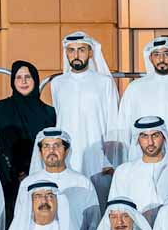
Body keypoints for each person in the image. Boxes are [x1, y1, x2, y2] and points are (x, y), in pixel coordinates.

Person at [0, 60, 54, 223]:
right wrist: (16, 173)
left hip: (41, 177)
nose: (23, 81)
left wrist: (34, 172)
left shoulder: (49, 112)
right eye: (18, 77)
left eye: (28, 77)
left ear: (35, 80)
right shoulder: (3, 108)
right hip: (10, 179)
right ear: (13, 81)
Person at [46, 31, 120, 175]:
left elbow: (113, 122)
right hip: (67, 156)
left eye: (81, 50)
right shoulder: (57, 83)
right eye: (71, 50)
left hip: (98, 155)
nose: (76, 55)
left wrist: (109, 159)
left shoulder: (104, 82)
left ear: (90, 53)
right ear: (66, 53)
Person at [16, 127, 101, 230]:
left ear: (66, 151)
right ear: (40, 152)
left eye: (57, 145)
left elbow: (94, 223)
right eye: (46, 146)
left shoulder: (82, 182)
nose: (51, 151)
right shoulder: (28, 183)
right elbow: (19, 222)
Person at [107, 116, 168, 224]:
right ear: (138, 139)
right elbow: (115, 210)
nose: (150, 142)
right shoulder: (123, 172)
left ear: (164, 137)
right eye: (144, 136)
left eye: (155, 135)